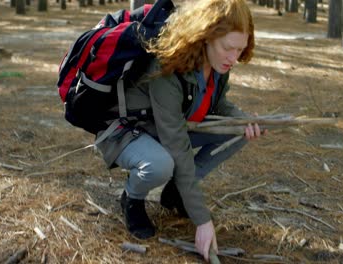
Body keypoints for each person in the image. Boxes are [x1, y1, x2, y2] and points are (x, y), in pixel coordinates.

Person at [96, 0, 265, 261]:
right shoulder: (168, 65)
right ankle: (132, 197)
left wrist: (244, 120)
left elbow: (217, 104)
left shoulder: (218, 64)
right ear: (206, 35)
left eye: (240, 49)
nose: (234, 58)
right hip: (126, 132)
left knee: (237, 130)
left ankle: (176, 192)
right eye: (228, 48)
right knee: (161, 163)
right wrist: (202, 219)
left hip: (163, 130)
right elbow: (177, 145)